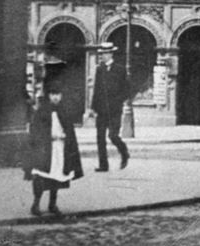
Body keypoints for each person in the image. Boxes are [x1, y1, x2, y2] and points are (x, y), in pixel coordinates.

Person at [24, 76, 83, 216]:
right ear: (48, 95)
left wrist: (65, 138)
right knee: (40, 175)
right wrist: (48, 137)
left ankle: (52, 204)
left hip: (59, 149)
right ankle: (36, 204)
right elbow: (35, 131)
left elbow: (69, 131)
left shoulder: (64, 111)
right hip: (45, 150)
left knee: (56, 176)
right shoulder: (41, 112)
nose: (55, 97)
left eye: (58, 94)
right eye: (53, 94)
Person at [90, 42, 130, 171]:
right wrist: (92, 108)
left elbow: (126, 90)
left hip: (114, 110)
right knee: (100, 138)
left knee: (113, 136)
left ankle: (124, 152)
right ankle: (103, 165)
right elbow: (96, 89)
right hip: (101, 110)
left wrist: (118, 101)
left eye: (105, 53)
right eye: (101, 54)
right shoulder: (99, 69)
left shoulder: (120, 69)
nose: (102, 56)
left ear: (111, 54)